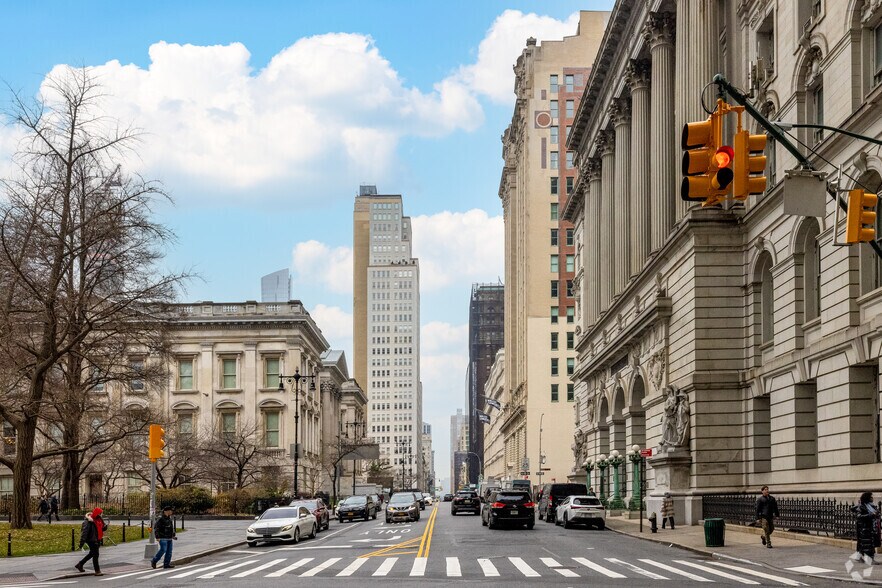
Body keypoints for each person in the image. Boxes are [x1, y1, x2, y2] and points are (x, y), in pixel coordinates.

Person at [851, 492, 881, 565]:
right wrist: (871, 515)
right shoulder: (862, 506)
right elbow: (859, 516)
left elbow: (876, 514)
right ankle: (870, 560)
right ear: (867, 498)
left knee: (865, 544)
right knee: (868, 544)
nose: (872, 498)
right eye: (871, 497)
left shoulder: (871, 506)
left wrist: (876, 514)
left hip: (871, 528)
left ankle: (859, 557)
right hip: (864, 529)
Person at [75, 507, 106, 576]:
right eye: (101, 513)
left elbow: (102, 528)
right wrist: (81, 543)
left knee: (92, 553)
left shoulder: (99, 519)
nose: (102, 514)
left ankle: (80, 564)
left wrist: (104, 527)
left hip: (97, 539)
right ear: (97, 514)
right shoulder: (88, 521)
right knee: (96, 555)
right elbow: (84, 533)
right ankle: (97, 571)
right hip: (92, 540)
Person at [150, 505, 177, 569]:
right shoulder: (161, 519)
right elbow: (156, 528)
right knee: (163, 550)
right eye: (170, 510)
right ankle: (154, 560)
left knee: (169, 551)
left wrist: (173, 535)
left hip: (169, 538)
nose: (171, 512)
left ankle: (166, 564)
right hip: (162, 537)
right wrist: (157, 537)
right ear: (166, 511)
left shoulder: (169, 519)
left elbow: (171, 528)